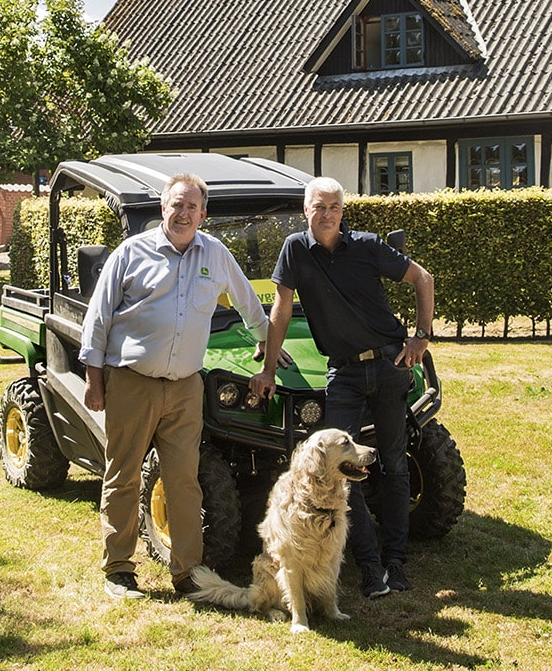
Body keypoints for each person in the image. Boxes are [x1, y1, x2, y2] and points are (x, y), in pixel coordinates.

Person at [81, 173, 272, 600]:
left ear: (203, 214)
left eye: (192, 207)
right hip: (132, 383)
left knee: (185, 481)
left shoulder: (216, 254)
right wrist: (95, 382)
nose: (183, 213)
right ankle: (118, 570)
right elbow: (98, 320)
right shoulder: (132, 253)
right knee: (124, 475)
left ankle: (188, 574)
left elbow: (248, 302)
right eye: (176, 205)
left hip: (187, 387)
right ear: (162, 208)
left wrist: (267, 345)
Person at [249, 176, 435, 598]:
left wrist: (421, 336)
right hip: (344, 374)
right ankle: (369, 568)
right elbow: (280, 308)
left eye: (334, 206)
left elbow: (423, 278)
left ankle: (395, 563)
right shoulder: (295, 249)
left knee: (394, 464)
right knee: (341, 467)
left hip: (389, 364)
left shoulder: (367, 246)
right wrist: (270, 368)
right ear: (306, 210)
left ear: (342, 211)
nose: (327, 214)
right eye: (319, 206)